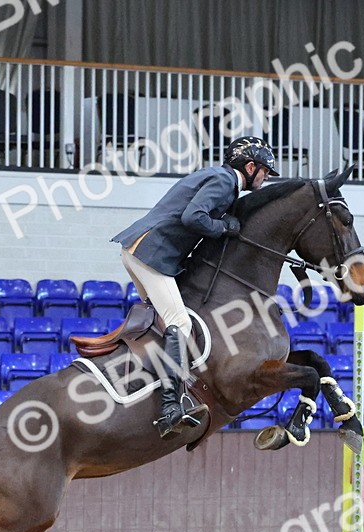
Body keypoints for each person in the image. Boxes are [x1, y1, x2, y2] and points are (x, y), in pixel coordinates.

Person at [111, 137, 278, 439]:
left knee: (164, 321)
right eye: (265, 171)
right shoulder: (225, 181)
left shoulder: (217, 176)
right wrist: (225, 227)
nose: (265, 178)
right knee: (179, 322)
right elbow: (194, 217)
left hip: (140, 250)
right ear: (250, 167)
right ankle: (170, 408)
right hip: (152, 253)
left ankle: (151, 382)